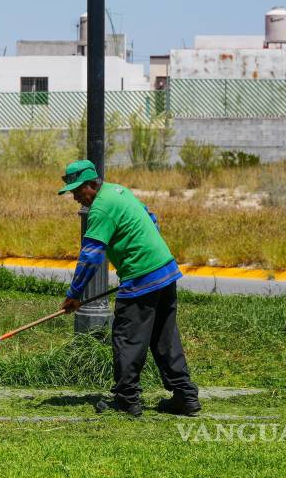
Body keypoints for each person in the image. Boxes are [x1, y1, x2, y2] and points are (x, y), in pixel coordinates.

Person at [57, 159, 199, 417]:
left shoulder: (101, 209)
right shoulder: (118, 191)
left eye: (79, 190)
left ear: (92, 183)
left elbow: (90, 257)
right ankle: (185, 397)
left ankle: (127, 400)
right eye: (72, 192)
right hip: (165, 269)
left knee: (127, 338)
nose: (76, 197)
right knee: (163, 337)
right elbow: (151, 218)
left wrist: (74, 295)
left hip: (142, 277)